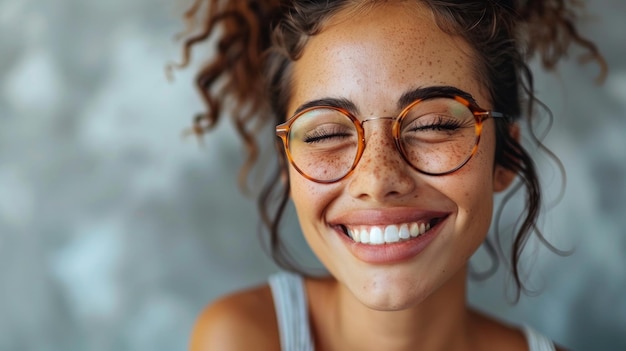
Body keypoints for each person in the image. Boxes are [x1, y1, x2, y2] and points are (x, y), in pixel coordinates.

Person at [173, 0, 606, 350]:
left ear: (506, 156)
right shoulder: (239, 339)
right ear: (287, 162)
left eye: (434, 126)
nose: (378, 179)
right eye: (326, 133)